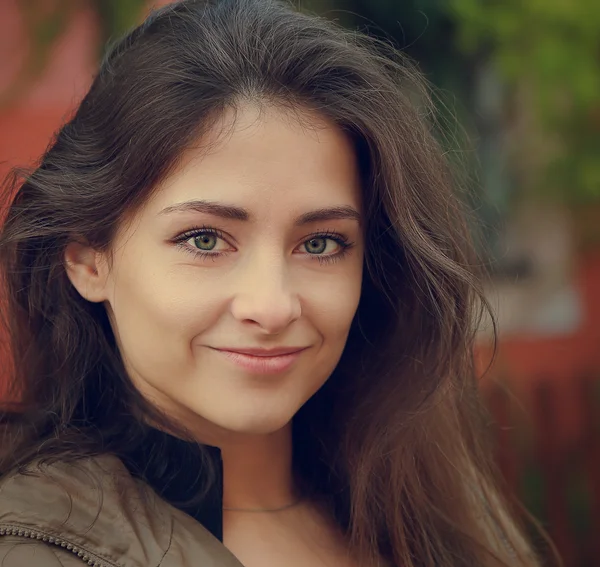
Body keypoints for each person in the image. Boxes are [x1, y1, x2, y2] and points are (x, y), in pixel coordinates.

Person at [0, 0, 550, 566]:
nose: (272, 305)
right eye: (205, 240)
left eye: (320, 244)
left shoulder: (432, 500)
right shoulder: (42, 548)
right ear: (90, 262)